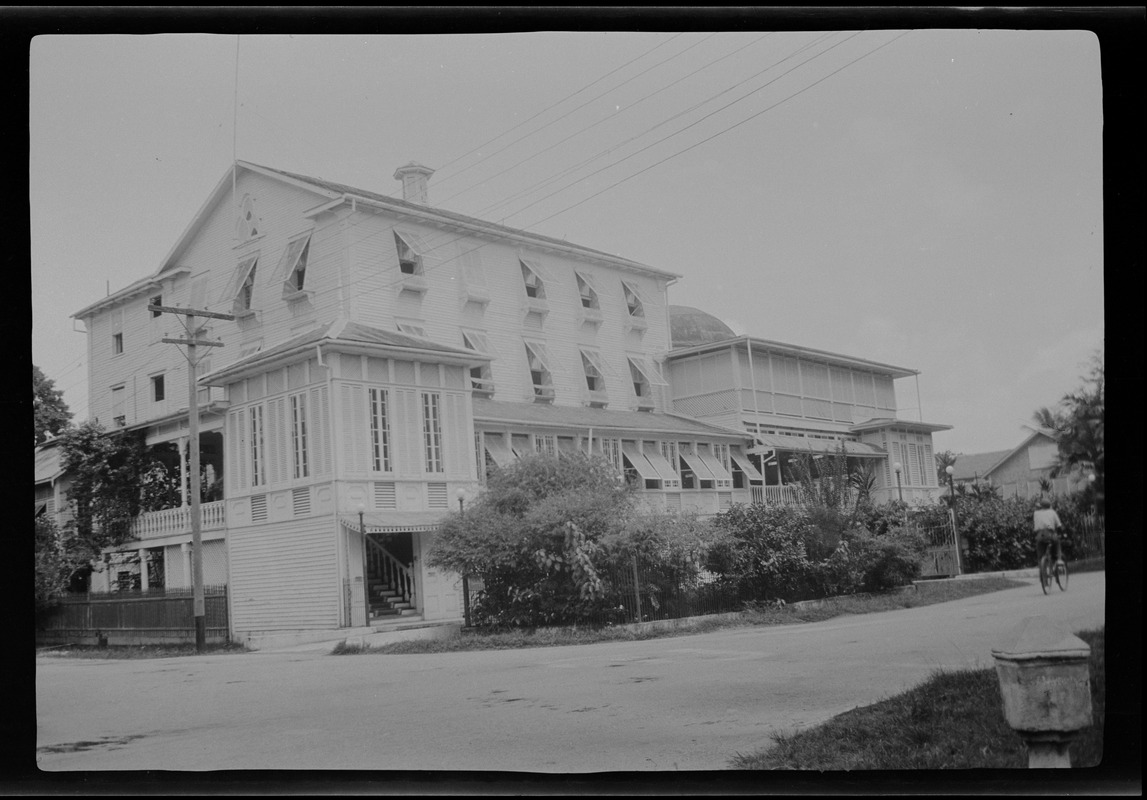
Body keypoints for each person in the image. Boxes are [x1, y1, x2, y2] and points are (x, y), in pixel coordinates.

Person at [1033, 497, 1064, 566]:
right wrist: (1061, 532)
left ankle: (1041, 564)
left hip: (1039, 535)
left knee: (1040, 549)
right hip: (1050, 534)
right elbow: (1059, 525)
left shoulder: (1036, 513)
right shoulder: (1052, 512)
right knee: (1057, 542)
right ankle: (1059, 559)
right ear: (1049, 505)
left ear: (1041, 506)